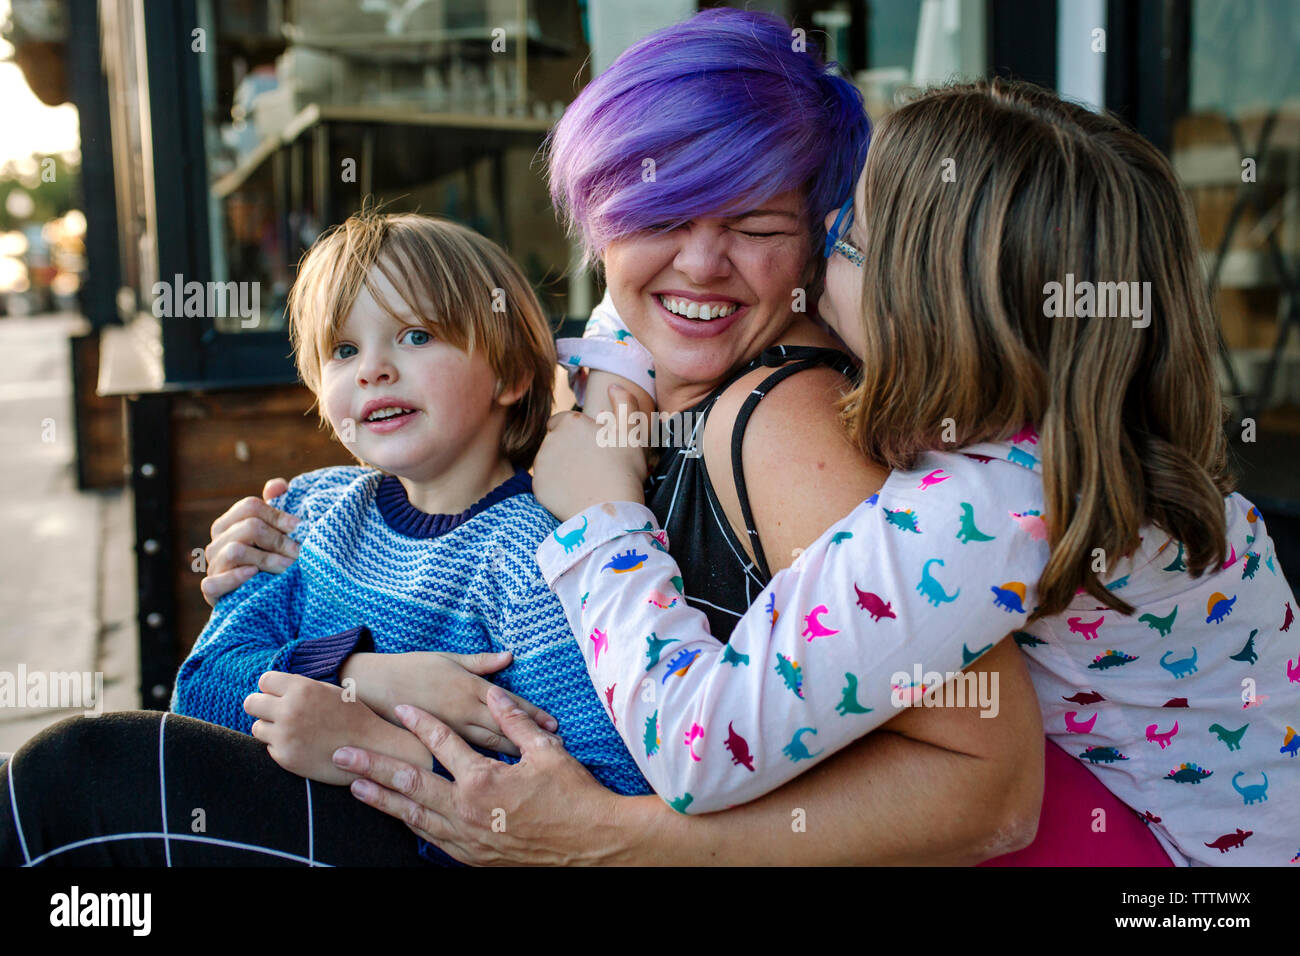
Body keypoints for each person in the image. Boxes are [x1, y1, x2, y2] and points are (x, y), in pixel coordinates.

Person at [202, 12, 1165, 864]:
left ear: (823, 234)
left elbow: (990, 795)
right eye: (660, 211)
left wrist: (612, 842)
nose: (700, 264)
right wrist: (311, 564)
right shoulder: (637, 370)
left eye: (755, 224)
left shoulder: (782, 421)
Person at [528, 77, 1300, 864]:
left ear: (926, 309)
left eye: (849, 236)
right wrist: (622, 373)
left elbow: (696, 750)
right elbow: (646, 295)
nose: (822, 236)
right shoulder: (1079, 418)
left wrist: (602, 521)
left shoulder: (987, 513)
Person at [0, 212, 650, 867]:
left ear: (510, 374)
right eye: (343, 350)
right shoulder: (312, 509)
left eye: (416, 335)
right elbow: (201, 688)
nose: (373, 370)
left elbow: (594, 795)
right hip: (272, 832)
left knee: (68, 774)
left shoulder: (532, 562)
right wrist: (357, 678)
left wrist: (378, 750)